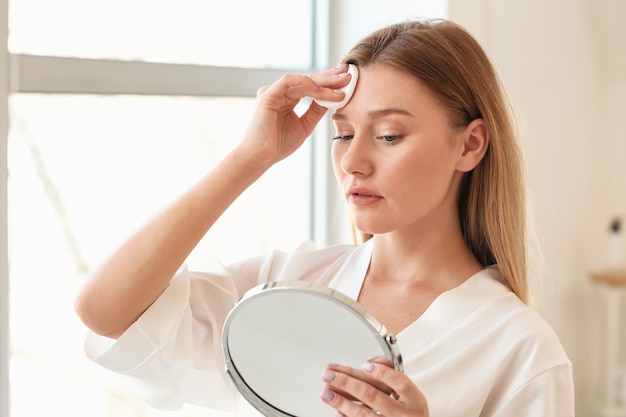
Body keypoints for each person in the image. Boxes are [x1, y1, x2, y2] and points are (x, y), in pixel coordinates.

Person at [75, 18, 575, 417]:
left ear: (469, 145)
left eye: (389, 136)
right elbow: (105, 311)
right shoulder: (288, 283)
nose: (353, 161)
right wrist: (251, 158)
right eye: (342, 134)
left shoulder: (521, 351)